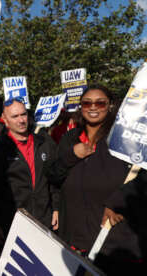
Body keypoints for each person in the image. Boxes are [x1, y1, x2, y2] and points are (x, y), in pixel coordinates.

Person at [54, 85, 146, 274]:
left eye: (100, 102)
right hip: (73, 239)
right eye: (87, 103)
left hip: (111, 242)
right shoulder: (69, 138)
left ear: (110, 105)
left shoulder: (125, 139)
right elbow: (53, 174)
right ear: (80, 107)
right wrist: (72, 155)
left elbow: (143, 178)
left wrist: (118, 200)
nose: (93, 107)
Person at [0, 97, 60, 246]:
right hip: (15, 221)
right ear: (5, 120)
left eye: (23, 114)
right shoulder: (0, 149)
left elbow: (54, 178)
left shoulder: (45, 142)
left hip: (44, 218)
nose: (21, 120)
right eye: (15, 116)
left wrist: (57, 208)